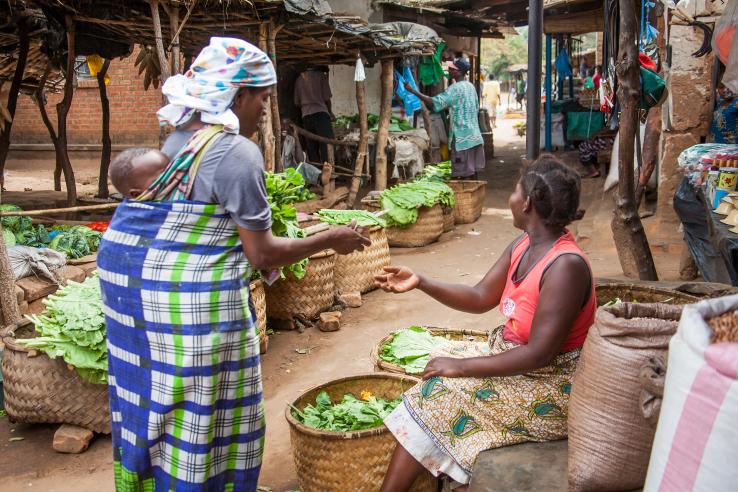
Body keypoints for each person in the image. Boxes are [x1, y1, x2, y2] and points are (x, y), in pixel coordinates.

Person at [97, 37, 370, 492]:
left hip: (139, 307)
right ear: (237, 95)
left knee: (156, 405)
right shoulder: (236, 152)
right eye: (262, 96)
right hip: (195, 313)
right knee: (209, 418)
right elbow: (260, 253)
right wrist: (330, 239)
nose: (265, 107)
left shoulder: (178, 137)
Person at [375, 155, 595, 491]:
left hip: (552, 383)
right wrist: (420, 280)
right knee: (437, 366)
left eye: (514, 192)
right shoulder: (524, 245)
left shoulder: (566, 266)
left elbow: (539, 355)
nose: (510, 199)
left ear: (528, 203)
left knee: (437, 392)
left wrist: (463, 368)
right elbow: (480, 297)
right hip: (521, 364)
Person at [404, 58, 485, 179]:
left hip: (461, 139)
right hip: (475, 136)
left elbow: (434, 102)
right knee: (472, 172)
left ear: (459, 72)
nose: (449, 70)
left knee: (462, 175)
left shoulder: (455, 88)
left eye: (453, 68)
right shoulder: (471, 87)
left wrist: (413, 91)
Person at [294, 66, 335, 164]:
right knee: (327, 144)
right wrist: (330, 112)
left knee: (312, 146)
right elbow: (326, 98)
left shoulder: (299, 79)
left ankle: (315, 173)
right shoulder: (321, 76)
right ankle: (328, 170)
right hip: (321, 114)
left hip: (306, 116)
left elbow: (296, 102)